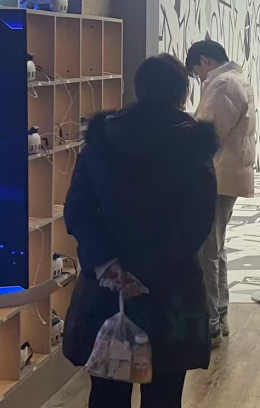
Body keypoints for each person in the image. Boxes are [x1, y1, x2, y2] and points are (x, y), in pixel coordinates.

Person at [63, 54, 218, 408]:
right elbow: (196, 222)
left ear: (138, 88)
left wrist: (108, 266)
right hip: (170, 290)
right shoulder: (193, 143)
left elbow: (78, 210)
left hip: (108, 288)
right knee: (165, 393)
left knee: (106, 391)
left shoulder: (103, 137)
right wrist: (149, 271)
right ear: (182, 94)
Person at [185, 40, 256, 347]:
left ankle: (211, 323)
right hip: (226, 176)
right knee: (216, 248)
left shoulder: (223, 83)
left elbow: (206, 134)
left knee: (207, 252)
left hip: (215, 177)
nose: (199, 78)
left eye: (197, 71)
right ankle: (220, 315)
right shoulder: (236, 80)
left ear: (205, 61)